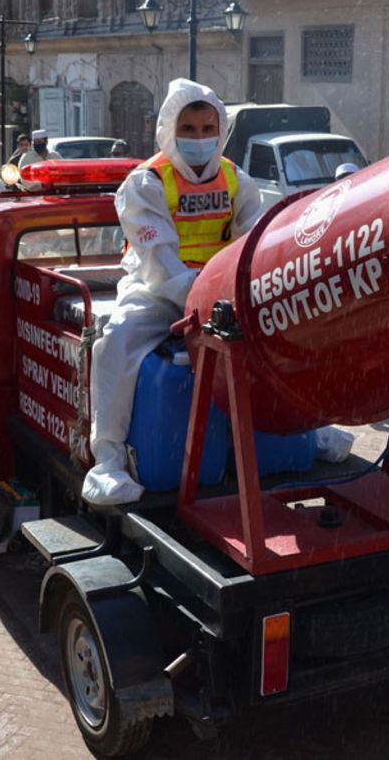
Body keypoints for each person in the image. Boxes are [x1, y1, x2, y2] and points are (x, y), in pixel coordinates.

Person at [83, 79, 263, 505]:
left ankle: (307, 428)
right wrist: (203, 300)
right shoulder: (145, 182)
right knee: (115, 342)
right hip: (157, 295)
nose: (199, 138)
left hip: (222, 296)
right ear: (168, 129)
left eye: (207, 128)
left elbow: (254, 242)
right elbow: (157, 261)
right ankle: (106, 460)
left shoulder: (236, 178)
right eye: (188, 129)